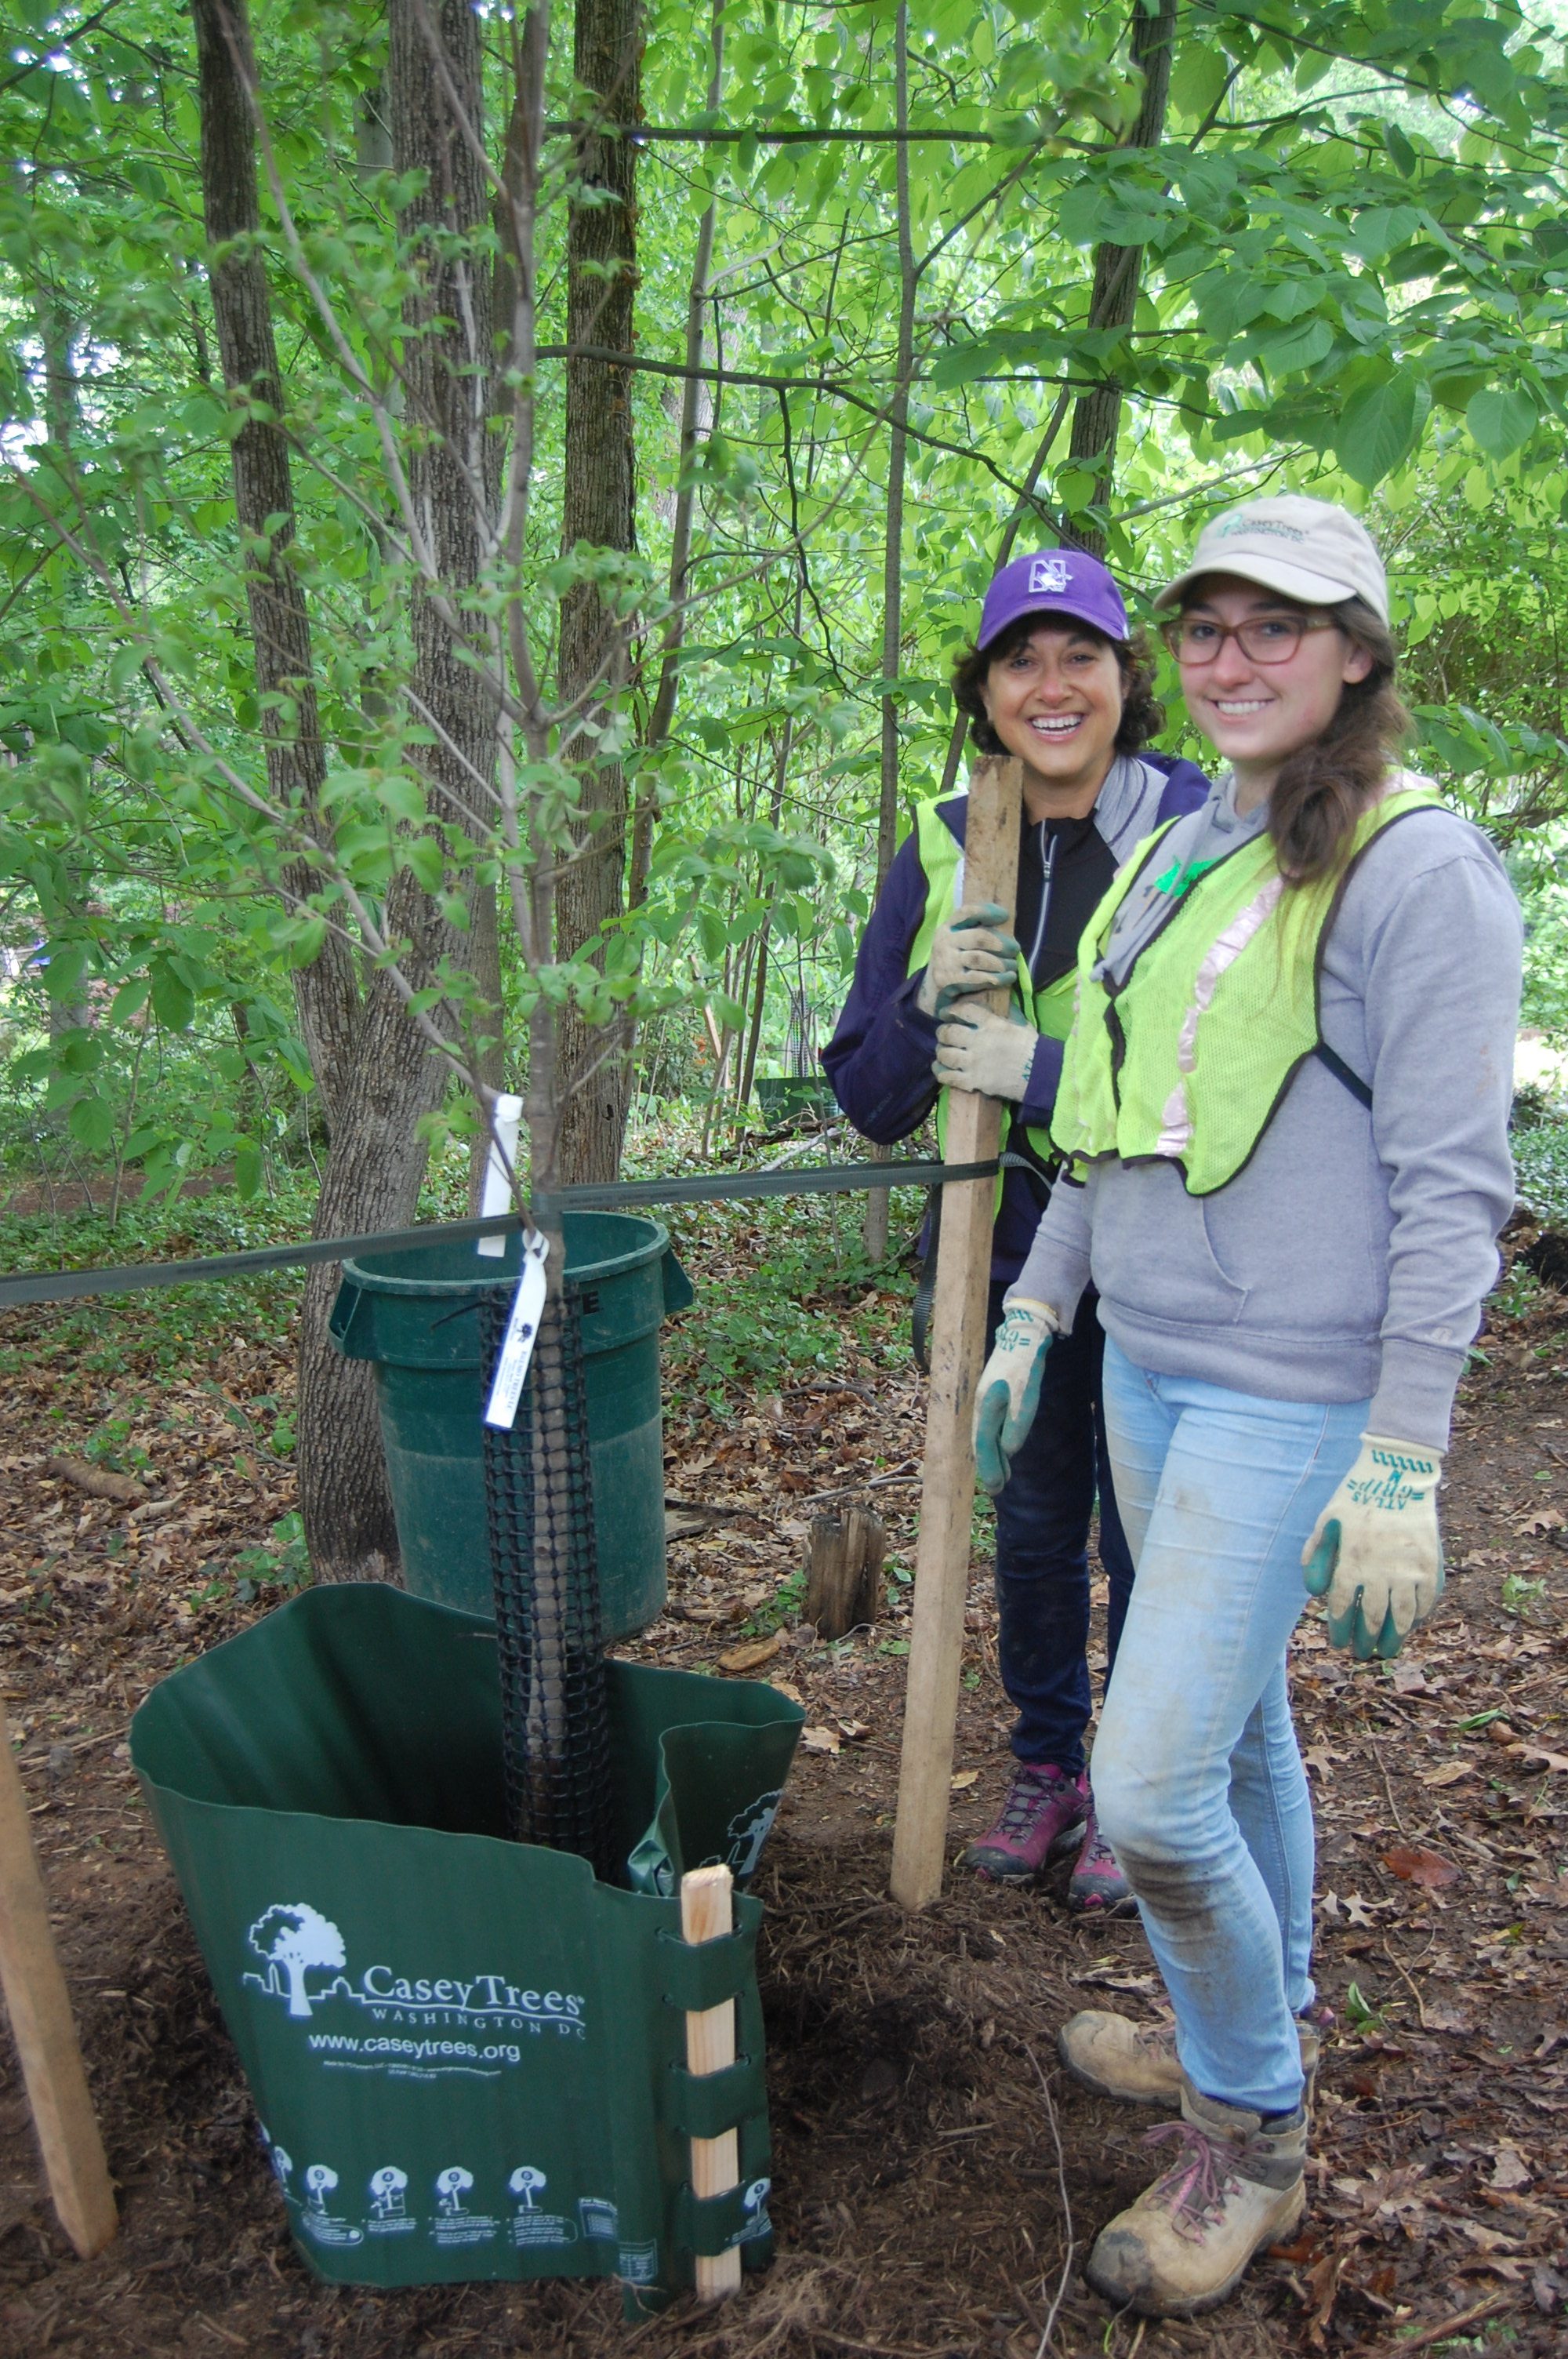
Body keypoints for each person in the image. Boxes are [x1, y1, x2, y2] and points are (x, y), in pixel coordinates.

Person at [973, 496, 1522, 2317]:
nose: (1232, 659)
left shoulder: (1418, 871)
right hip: (1145, 1363)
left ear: (1354, 651)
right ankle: (1253, 2021)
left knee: (1144, 1790)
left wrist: (1402, 1453)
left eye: (1275, 627)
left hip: (1291, 1394)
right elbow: (1104, 1121)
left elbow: (1452, 1187)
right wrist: (1034, 1315)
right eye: (1206, 627)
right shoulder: (1178, 844)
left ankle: (1254, 2140)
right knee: (1236, 1738)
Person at [823, 549, 1210, 1908]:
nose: (1052, 686)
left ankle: (1136, 1787)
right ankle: (1049, 1769)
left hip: (1164, 1248)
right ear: (984, 691)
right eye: (1019, 661)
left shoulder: (1198, 826)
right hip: (1002, 1245)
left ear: (1125, 678)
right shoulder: (946, 838)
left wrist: (1034, 1072)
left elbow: (1221, 1080)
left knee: (1144, 1529)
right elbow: (868, 1095)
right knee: (1036, 1520)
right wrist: (927, 998)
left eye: (1079, 656)